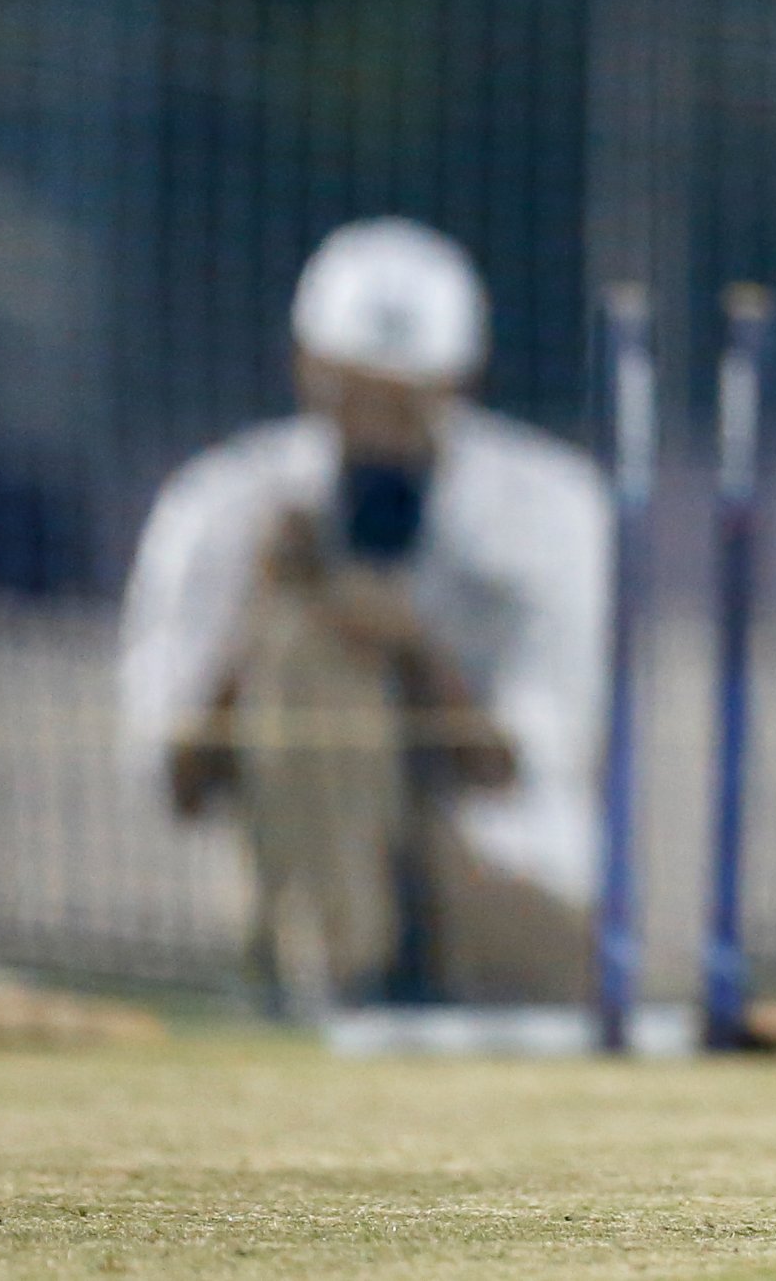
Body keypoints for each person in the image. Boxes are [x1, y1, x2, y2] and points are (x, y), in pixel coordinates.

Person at [118, 218, 609, 1012]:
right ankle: (343, 983)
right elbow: (173, 780)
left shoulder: (553, 507)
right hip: (296, 881)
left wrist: (411, 645)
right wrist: (262, 616)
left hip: (500, 878)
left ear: (458, 383)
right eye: (353, 394)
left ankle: (347, 985)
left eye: (406, 402)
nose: (377, 430)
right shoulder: (221, 504)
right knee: (304, 652)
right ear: (307, 368)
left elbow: (531, 763)